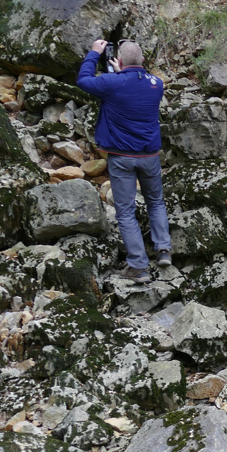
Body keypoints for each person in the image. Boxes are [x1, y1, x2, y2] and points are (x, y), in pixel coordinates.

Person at [77, 39, 171, 284]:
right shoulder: (157, 84)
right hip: (150, 156)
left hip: (121, 158)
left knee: (126, 212)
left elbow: (83, 80)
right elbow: (135, 84)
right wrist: (123, 73)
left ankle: (138, 266)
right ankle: (163, 250)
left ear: (118, 61)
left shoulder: (111, 83)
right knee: (156, 202)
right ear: (142, 61)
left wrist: (94, 53)